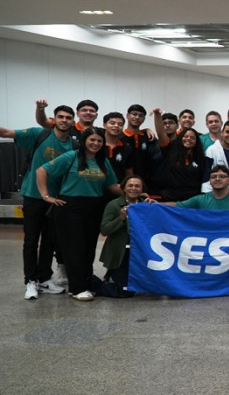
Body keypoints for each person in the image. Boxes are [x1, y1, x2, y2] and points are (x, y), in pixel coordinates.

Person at [36, 127, 122, 302]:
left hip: (94, 207)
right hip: (70, 207)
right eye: (92, 140)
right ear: (84, 141)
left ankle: (84, 283)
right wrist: (46, 196)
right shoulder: (71, 156)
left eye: (99, 141)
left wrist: (134, 195)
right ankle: (77, 288)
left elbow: (112, 186)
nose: (96, 143)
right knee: (74, 249)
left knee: (88, 249)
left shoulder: (103, 161)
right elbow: (41, 171)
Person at [0, 102, 75, 300]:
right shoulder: (39, 134)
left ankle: (44, 278)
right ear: (54, 119)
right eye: (61, 117)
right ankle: (30, 281)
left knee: (50, 241)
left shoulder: (74, 145)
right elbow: (6, 132)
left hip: (56, 200)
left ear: (73, 122)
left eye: (68, 118)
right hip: (33, 195)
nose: (64, 120)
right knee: (31, 240)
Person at [91, 175, 148, 298]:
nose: (133, 188)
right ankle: (92, 283)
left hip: (140, 254)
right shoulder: (114, 205)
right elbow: (104, 230)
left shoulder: (146, 206)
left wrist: (156, 206)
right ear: (124, 188)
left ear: (142, 189)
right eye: (130, 185)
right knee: (125, 292)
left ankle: (112, 277)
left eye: (137, 186)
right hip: (120, 254)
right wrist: (121, 218)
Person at [156, 165, 229, 210]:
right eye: (213, 177)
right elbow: (178, 205)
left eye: (222, 176)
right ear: (210, 181)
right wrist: (157, 204)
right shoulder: (200, 200)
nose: (217, 179)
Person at [157, 127, 207, 202]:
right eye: (186, 136)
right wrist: (157, 115)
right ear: (180, 138)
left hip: (192, 200)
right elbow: (161, 135)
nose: (188, 139)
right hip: (171, 198)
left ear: (196, 142)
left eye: (192, 138)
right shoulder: (170, 151)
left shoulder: (200, 159)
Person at [122, 104, 164, 193]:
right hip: (123, 182)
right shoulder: (120, 137)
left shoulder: (149, 137)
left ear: (144, 119)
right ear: (127, 115)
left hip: (147, 183)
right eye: (134, 114)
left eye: (141, 116)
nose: (137, 117)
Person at [100, 112, 134, 189]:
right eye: (112, 123)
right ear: (104, 125)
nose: (116, 126)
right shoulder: (97, 145)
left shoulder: (126, 148)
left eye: (120, 124)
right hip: (97, 189)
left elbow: (129, 173)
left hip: (119, 189)